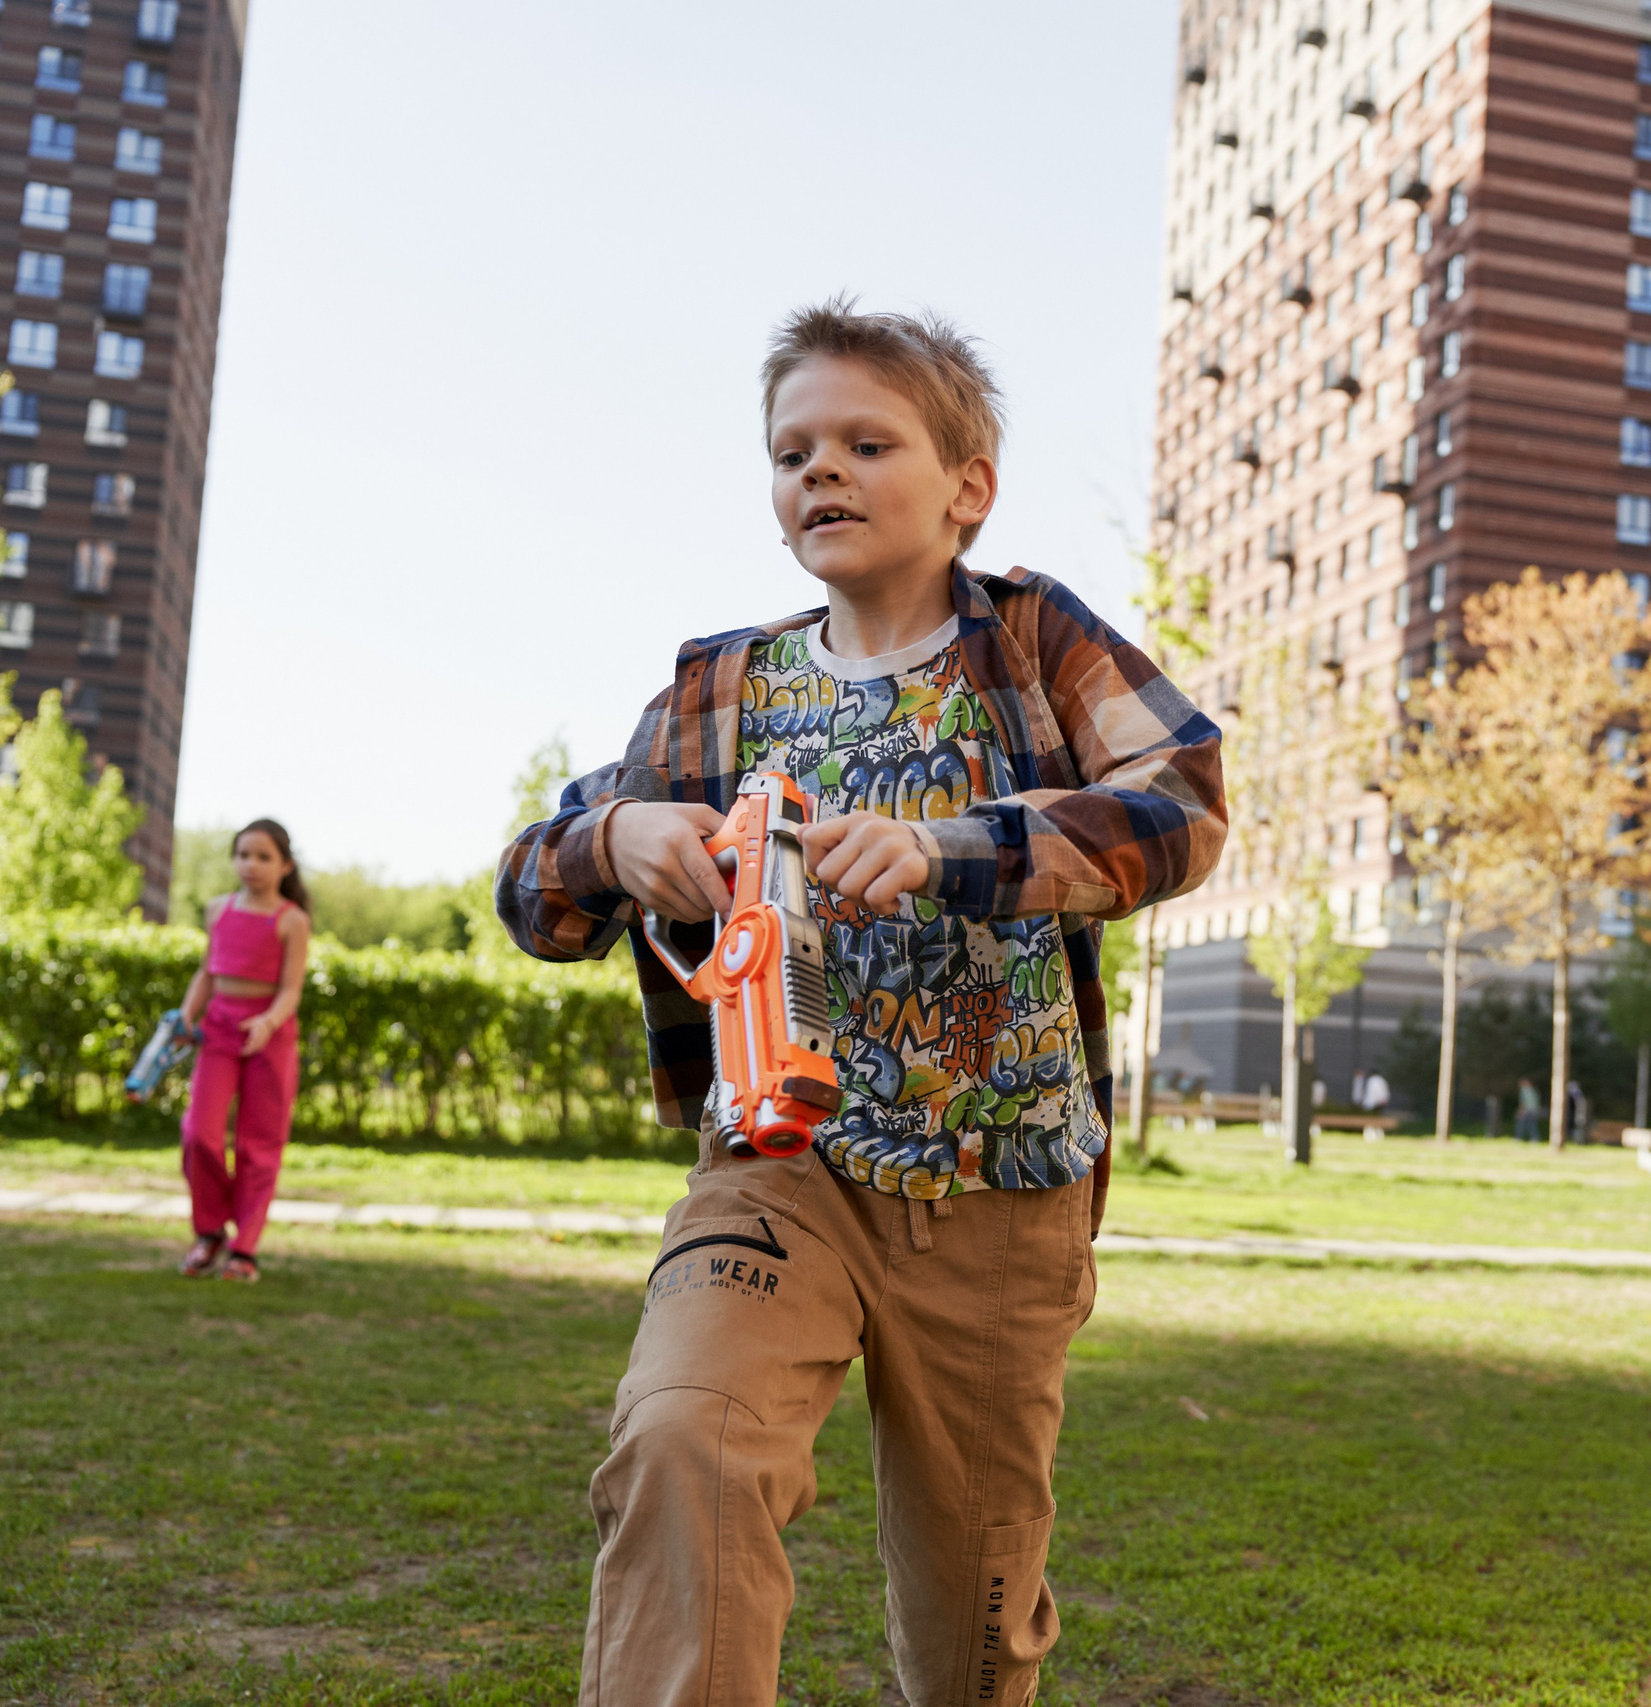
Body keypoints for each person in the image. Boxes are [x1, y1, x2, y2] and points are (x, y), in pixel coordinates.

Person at [497, 300, 1226, 1707]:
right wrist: (617, 841)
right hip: (780, 1168)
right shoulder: (722, 686)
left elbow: (1181, 802)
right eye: (792, 450)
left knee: (975, 1632)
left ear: (967, 488)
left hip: (1005, 1189)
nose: (817, 470)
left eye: (863, 441)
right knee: (682, 1440)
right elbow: (537, 888)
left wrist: (958, 847)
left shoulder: (1029, 637)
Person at [175, 820, 311, 1284]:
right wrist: (184, 1017)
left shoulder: (292, 920)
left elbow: (291, 990)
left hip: (269, 1034)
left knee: (259, 1144)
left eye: (262, 856)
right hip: (218, 1030)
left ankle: (244, 1250)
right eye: (243, 855)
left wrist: (268, 1022)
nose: (250, 865)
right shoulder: (217, 910)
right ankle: (210, 1229)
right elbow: (206, 974)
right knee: (199, 1133)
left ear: (284, 865)